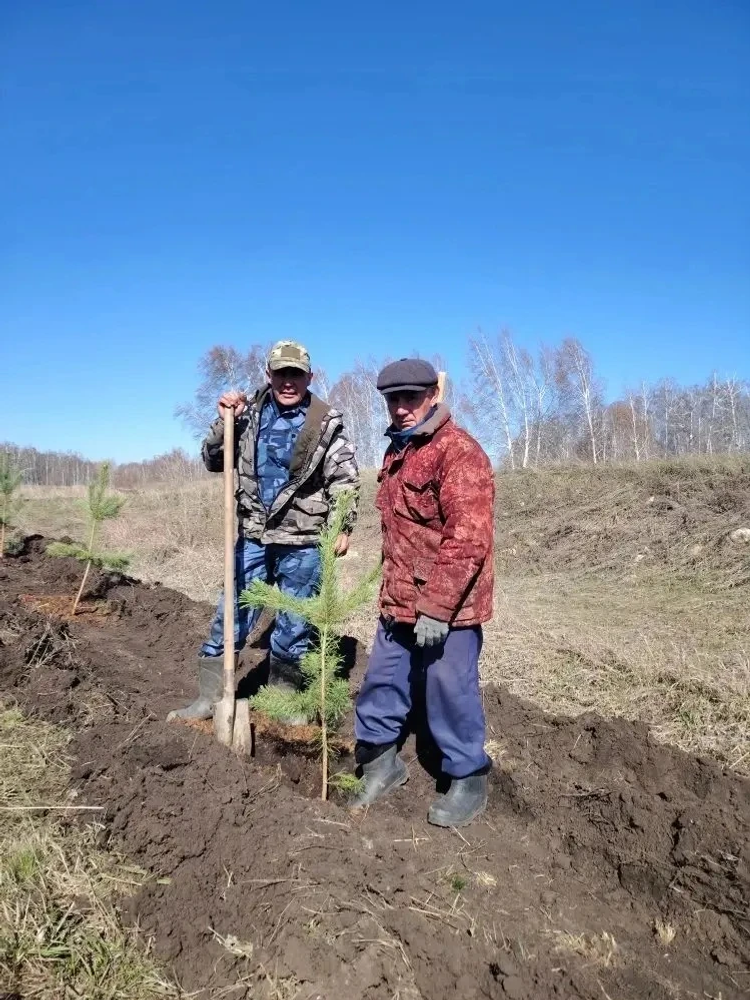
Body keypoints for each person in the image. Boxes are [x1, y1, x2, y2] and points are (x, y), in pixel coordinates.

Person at [169, 340, 359, 724]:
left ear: (310, 376)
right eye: (281, 373)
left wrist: (343, 525)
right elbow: (212, 460)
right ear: (268, 374)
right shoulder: (247, 413)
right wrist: (223, 420)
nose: (288, 381)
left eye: (296, 374)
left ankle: (283, 698)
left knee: (294, 622)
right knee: (232, 610)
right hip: (254, 534)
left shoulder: (325, 422)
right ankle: (211, 697)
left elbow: (345, 481)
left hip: (304, 539)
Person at [352, 358, 494, 827]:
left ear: (433, 395)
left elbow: (469, 537)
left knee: (449, 689)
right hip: (398, 601)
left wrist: (437, 606)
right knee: (381, 684)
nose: (400, 408)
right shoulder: (399, 452)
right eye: (393, 400)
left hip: (449, 608)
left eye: (410, 398)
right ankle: (380, 764)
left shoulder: (459, 452)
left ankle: (468, 778)